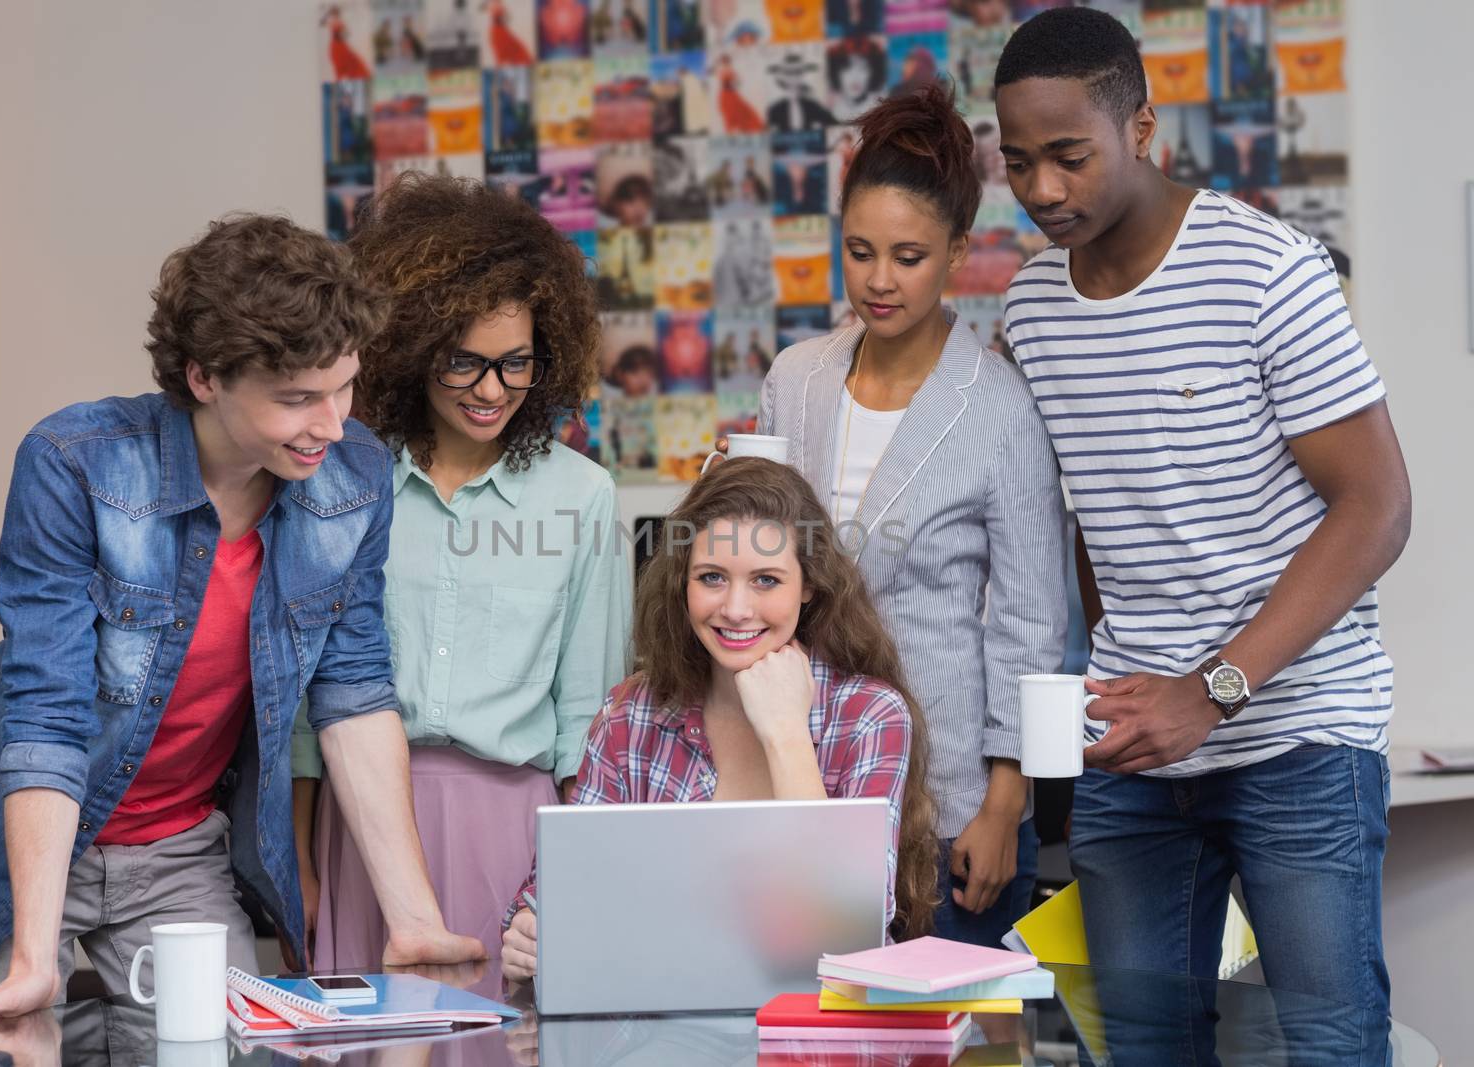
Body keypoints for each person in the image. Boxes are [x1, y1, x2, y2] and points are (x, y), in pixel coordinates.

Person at [0, 215, 483, 1038]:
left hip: (178, 853)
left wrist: (415, 917)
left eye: (344, 386)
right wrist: (35, 956)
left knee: (234, 1053)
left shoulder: (355, 477)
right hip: (18, 858)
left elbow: (354, 694)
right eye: (296, 399)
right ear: (205, 375)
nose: (332, 423)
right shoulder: (76, 463)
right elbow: (49, 710)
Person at [993, 5, 1409, 1027]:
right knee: (1133, 1047)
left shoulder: (1267, 268)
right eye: (1016, 163)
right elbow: (1085, 522)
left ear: (1140, 127)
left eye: (1067, 156)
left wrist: (1211, 687)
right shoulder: (1029, 309)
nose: (1042, 190)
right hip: (1134, 751)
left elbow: (1378, 507)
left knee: (1328, 1043)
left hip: (1300, 735)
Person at [293, 173, 633, 969]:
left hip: (515, 832)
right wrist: (303, 859)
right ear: (410, 349)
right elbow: (309, 713)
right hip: (362, 822)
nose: (492, 391)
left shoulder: (582, 497)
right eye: (464, 363)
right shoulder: (341, 482)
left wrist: (581, 884)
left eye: (516, 364)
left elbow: (590, 724)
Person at [756, 81, 1068, 946]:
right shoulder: (795, 380)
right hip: (804, 785)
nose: (879, 281)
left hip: (952, 805)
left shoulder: (1001, 407)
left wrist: (1008, 804)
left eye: (908, 256)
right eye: (859, 252)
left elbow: (1032, 625)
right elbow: (760, 564)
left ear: (959, 251)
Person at [499, 458, 942, 981]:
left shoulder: (870, 716)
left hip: (815, 1031)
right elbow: (561, 889)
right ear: (682, 583)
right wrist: (530, 930)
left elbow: (843, 931)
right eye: (712, 577)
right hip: (658, 1028)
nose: (735, 608)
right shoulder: (632, 714)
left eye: (765, 580)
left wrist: (785, 735)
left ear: (808, 585)